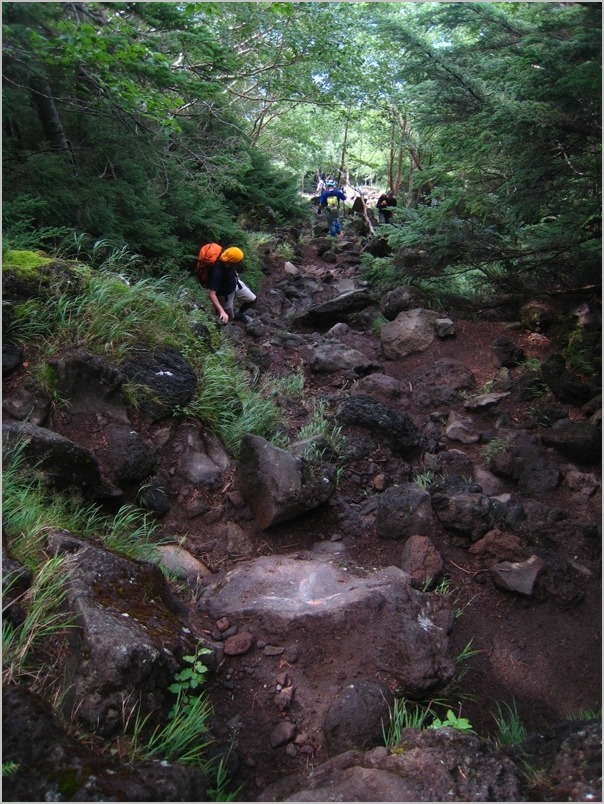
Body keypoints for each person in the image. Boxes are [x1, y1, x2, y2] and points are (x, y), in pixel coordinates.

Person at [207, 246, 257, 324]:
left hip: (235, 284)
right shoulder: (217, 272)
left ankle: (239, 314)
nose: (240, 262)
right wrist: (222, 311)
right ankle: (225, 324)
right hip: (225, 295)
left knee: (253, 299)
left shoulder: (227, 258)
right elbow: (211, 294)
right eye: (239, 261)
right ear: (233, 262)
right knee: (228, 318)